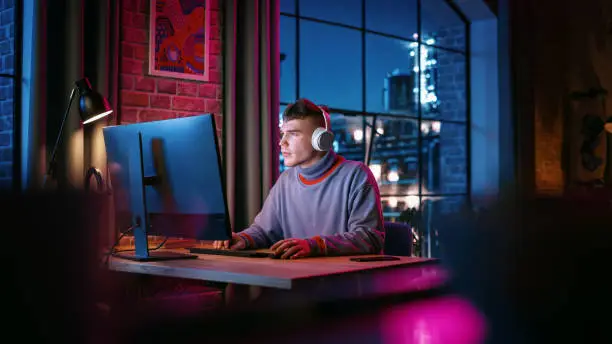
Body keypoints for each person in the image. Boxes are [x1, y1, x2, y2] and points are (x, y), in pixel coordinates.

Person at [213, 98, 385, 259]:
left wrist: (315, 245)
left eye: (293, 134)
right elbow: (264, 231)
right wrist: (243, 239)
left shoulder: (356, 175)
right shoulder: (285, 180)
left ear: (321, 140)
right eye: (283, 134)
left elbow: (369, 237)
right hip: (296, 280)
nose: (282, 143)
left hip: (345, 283)